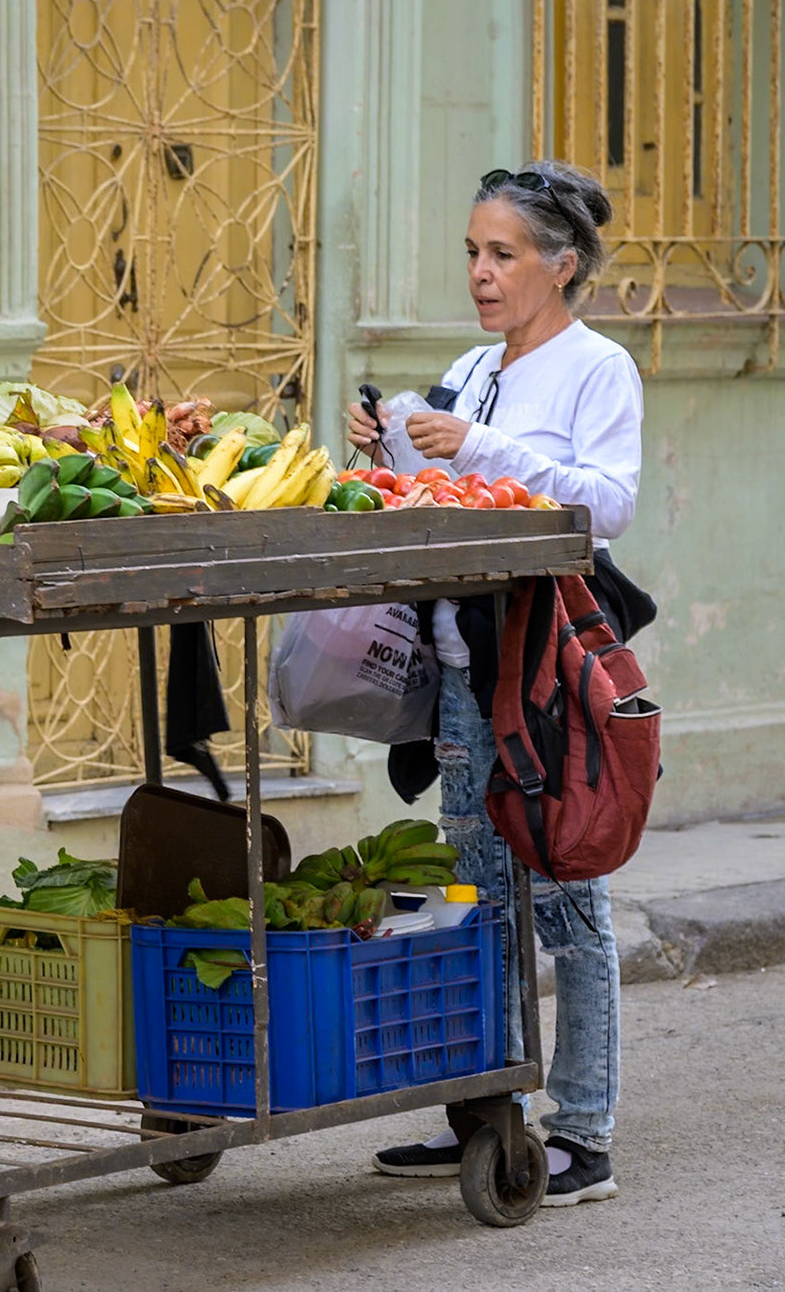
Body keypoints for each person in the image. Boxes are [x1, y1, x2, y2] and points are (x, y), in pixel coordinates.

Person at [348, 160, 641, 1207]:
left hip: (549, 681)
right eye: (473, 252)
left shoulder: (598, 368)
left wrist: (481, 443)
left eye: (502, 254)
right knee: (477, 901)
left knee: (568, 901)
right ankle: (485, 1111)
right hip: (467, 681)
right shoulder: (472, 367)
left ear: (560, 267)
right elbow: (448, 495)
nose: (480, 272)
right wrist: (386, 445)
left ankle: (585, 1132)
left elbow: (606, 505)